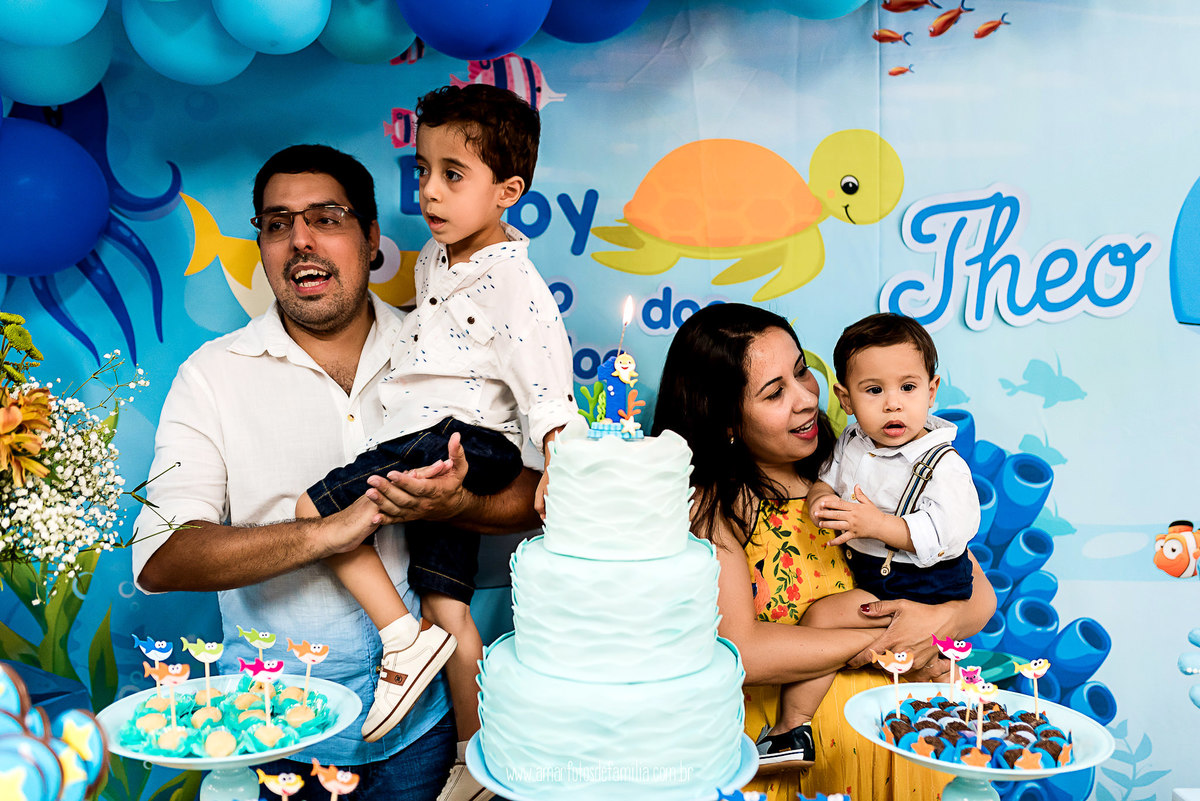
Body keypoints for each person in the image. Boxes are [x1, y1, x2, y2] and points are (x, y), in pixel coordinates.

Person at [132, 143, 543, 801]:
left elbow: (533, 495)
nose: (301, 240)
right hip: (277, 738)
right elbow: (161, 557)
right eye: (278, 223)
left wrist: (453, 503)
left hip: (424, 738)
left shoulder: (445, 355)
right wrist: (323, 532)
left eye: (326, 218)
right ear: (262, 246)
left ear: (372, 239)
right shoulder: (210, 377)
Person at [293, 83, 574, 756]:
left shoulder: (515, 285)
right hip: (437, 444)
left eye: (453, 175)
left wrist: (560, 466)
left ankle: (400, 639)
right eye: (423, 170)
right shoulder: (434, 259)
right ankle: (477, 760)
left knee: (313, 510)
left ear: (507, 191)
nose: (430, 192)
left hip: (462, 440)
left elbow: (547, 383)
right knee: (448, 609)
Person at [652, 303, 995, 799]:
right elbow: (740, 649)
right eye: (775, 392)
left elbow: (978, 595)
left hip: (902, 739)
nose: (806, 399)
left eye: (801, 372)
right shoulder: (714, 506)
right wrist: (893, 642)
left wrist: (937, 622)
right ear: (725, 417)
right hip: (795, 759)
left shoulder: (865, 464)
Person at [754, 312, 981, 765]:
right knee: (845, 628)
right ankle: (794, 730)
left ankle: (791, 727)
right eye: (874, 391)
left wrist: (876, 525)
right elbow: (828, 478)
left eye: (908, 388)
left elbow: (948, 535)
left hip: (925, 581)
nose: (893, 405)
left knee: (834, 623)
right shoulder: (853, 441)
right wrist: (821, 498)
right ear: (847, 398)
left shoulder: (943, 464)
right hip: (877, 576)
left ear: (932, 390)